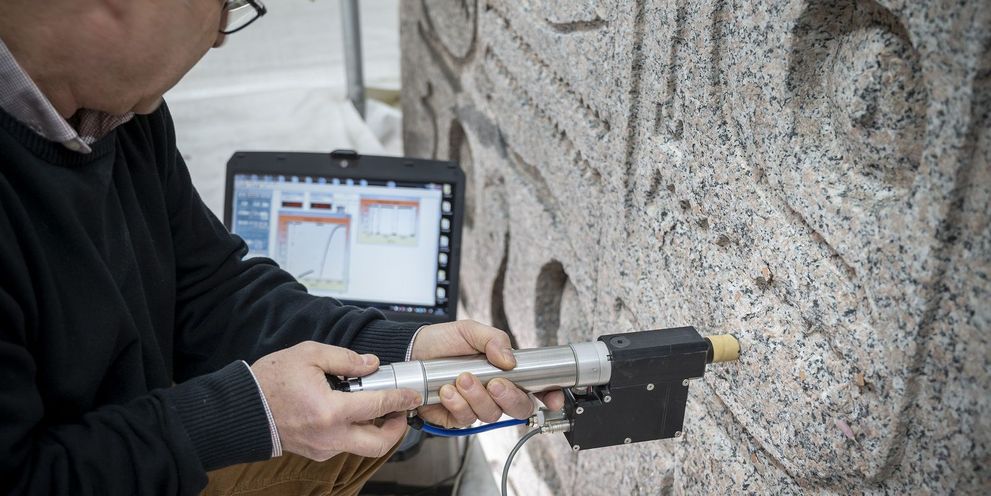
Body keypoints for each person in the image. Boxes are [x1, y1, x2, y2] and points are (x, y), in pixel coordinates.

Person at [0, 1, 564, 494]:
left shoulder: (118, 110)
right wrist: (251, 412)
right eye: (225, 1)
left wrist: (400, 348)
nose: (221, 33)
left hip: (140, 443)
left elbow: (209, 291)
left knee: (359, 424)